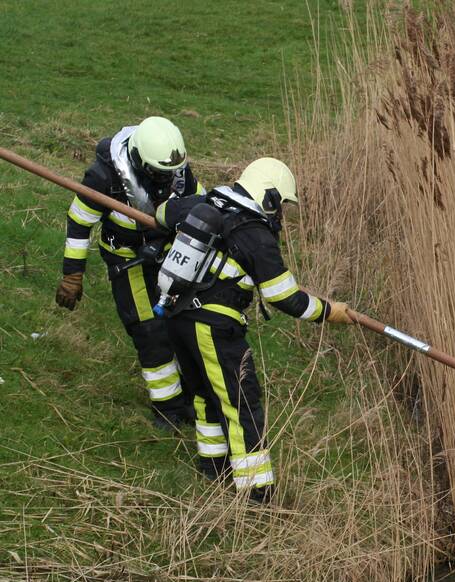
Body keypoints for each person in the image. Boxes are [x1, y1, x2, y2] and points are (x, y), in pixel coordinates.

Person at [154, 157, 352, 503]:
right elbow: (284, 297)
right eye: (282, 206)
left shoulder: (207, 202)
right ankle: (257, 493)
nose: (281, 216)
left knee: (204, 394)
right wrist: (329, 311)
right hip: (213, 326)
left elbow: (161, 214)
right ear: (270, 197)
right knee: (241, 403)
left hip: (177, 316)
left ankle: (214, 467)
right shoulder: (255, 235)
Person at [55, 116, 203, 428]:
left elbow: (197, 206)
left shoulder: (176, 169)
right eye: (156, 173)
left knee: (183, 322)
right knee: (150, 332)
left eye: (168, 173)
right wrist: (72, 274)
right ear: (137, 159)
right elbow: (79, 222)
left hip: (169, 253)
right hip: (127, 260)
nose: (164, 179)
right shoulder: (103, 176)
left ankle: (191, 393)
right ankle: (169, 409)